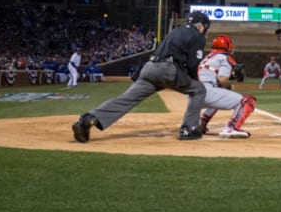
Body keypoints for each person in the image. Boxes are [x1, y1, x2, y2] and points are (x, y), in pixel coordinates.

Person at [71, 11, 211, 142]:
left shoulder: (175, 31)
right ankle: (189, 129)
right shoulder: (197, 35)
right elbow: (193, 65)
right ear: (200, 26)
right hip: (168, 69)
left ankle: (88, 120)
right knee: (198, 90)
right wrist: (193, 80)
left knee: (126, 99)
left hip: (149, 68)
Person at [198, 35, 256, 139]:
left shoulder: (207, 57)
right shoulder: (225, 57)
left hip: (194, 94)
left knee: (219, 93)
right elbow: (222, 79)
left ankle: (200, 123)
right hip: (208, 93)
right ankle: (231, 128)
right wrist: (229, 86)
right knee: (247, 101)